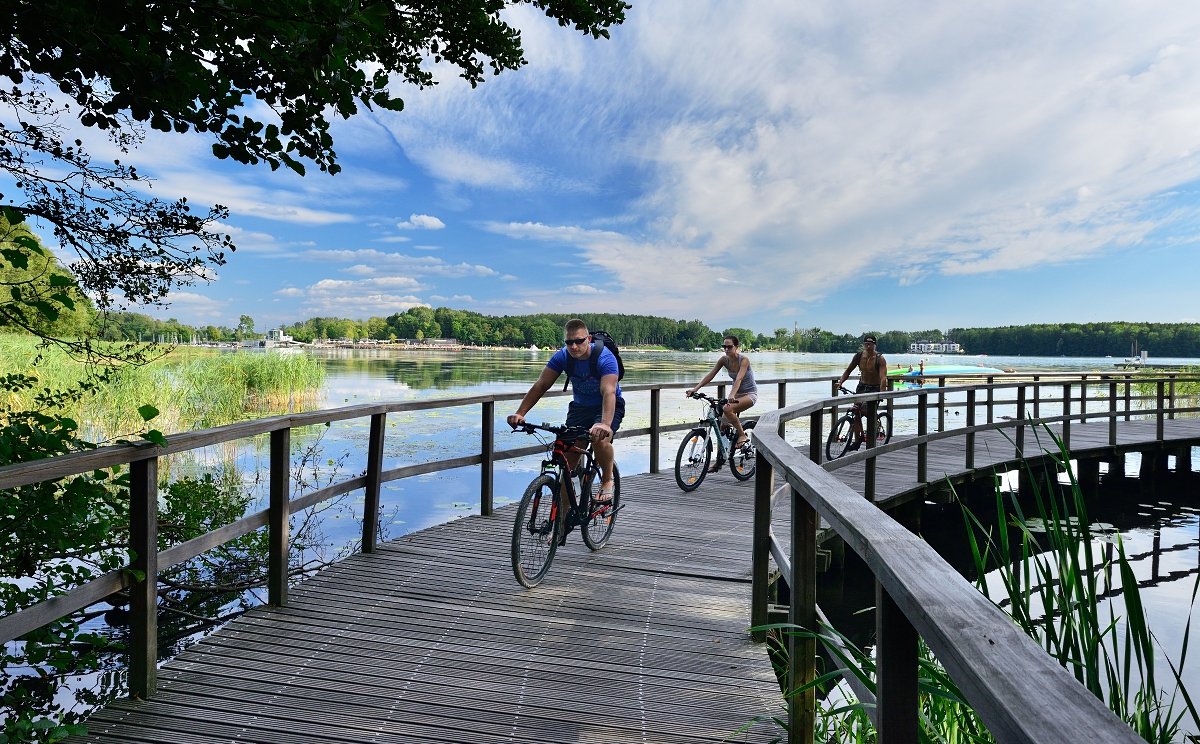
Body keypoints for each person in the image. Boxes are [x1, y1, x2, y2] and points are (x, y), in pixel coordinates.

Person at [507, 319, 624, 502]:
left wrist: (604, 424)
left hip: (608, 405)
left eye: (579, 341)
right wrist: (520, 413)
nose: (574, 346)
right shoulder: (562, 357)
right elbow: (541, 385)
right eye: (569, 342)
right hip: (580, 408)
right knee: (566, 465)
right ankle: (563, 523)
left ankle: (607, 479)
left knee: (600, 440)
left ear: (589, 339)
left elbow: (608, 391)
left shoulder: (605, 358)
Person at [686, 335, 757, 466]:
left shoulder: (744, 360)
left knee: (727, 408)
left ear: (736, 347)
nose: (726, 349)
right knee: (722, 426)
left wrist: (731, 395)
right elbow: (711, 375)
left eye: (729, 346)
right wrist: (695, 389)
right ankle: (722, 458)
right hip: (735, 396)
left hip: (749, 395)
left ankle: (742, 435)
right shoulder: (724, 360)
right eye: (724, 346)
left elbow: (739, 379)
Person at [835, 334, 888, 448]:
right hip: (862, 387)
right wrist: (840, 382)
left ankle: (875, 425)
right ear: (863, 345)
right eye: (866, 344)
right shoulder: (858, 356)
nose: (868, 347)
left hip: (874, 388)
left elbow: (883, 378)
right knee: (856, 412)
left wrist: (882, 392)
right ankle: (858, 440)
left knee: (866, 412)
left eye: (870, 344)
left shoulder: (880, 359)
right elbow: (848, 370)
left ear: (874, 345)